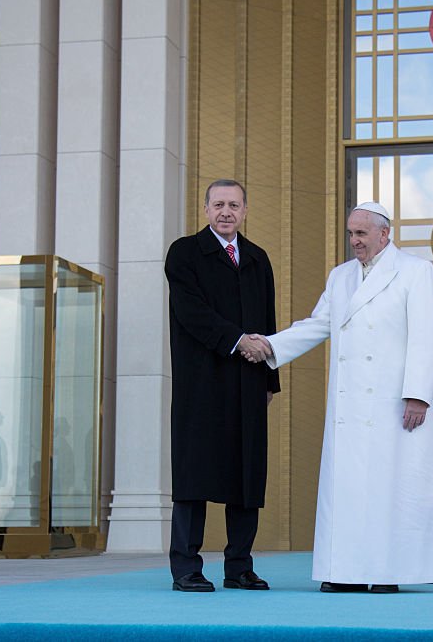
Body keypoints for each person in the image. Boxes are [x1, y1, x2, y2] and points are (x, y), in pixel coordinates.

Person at [248, 201, 433, 593]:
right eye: (351, 233)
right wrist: (269, 346)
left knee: (390, 489)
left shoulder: (415, 272)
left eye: (361, 233)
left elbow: (428, 335)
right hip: (349, 406)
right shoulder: (340, 277)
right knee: (348, 490)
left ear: (384, 234)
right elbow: (318, 325)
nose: (354, 240)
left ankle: (387, 573)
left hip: (395, 402)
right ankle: (345, 572)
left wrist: (418, 395)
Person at [164, 179, 279, 593]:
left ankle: (239, 567)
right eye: (218, 204)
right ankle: (186, 568)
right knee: (194, 478)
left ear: (245, 210)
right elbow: (191, 312)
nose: (226, 211)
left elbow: (268, 321)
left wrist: (270, 377)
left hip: (249, 381)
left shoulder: (258, 259)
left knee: (246, 478)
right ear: (206, 209)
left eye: (234, 204)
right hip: (201, 383)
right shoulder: (184, 253)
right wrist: (238, 341)